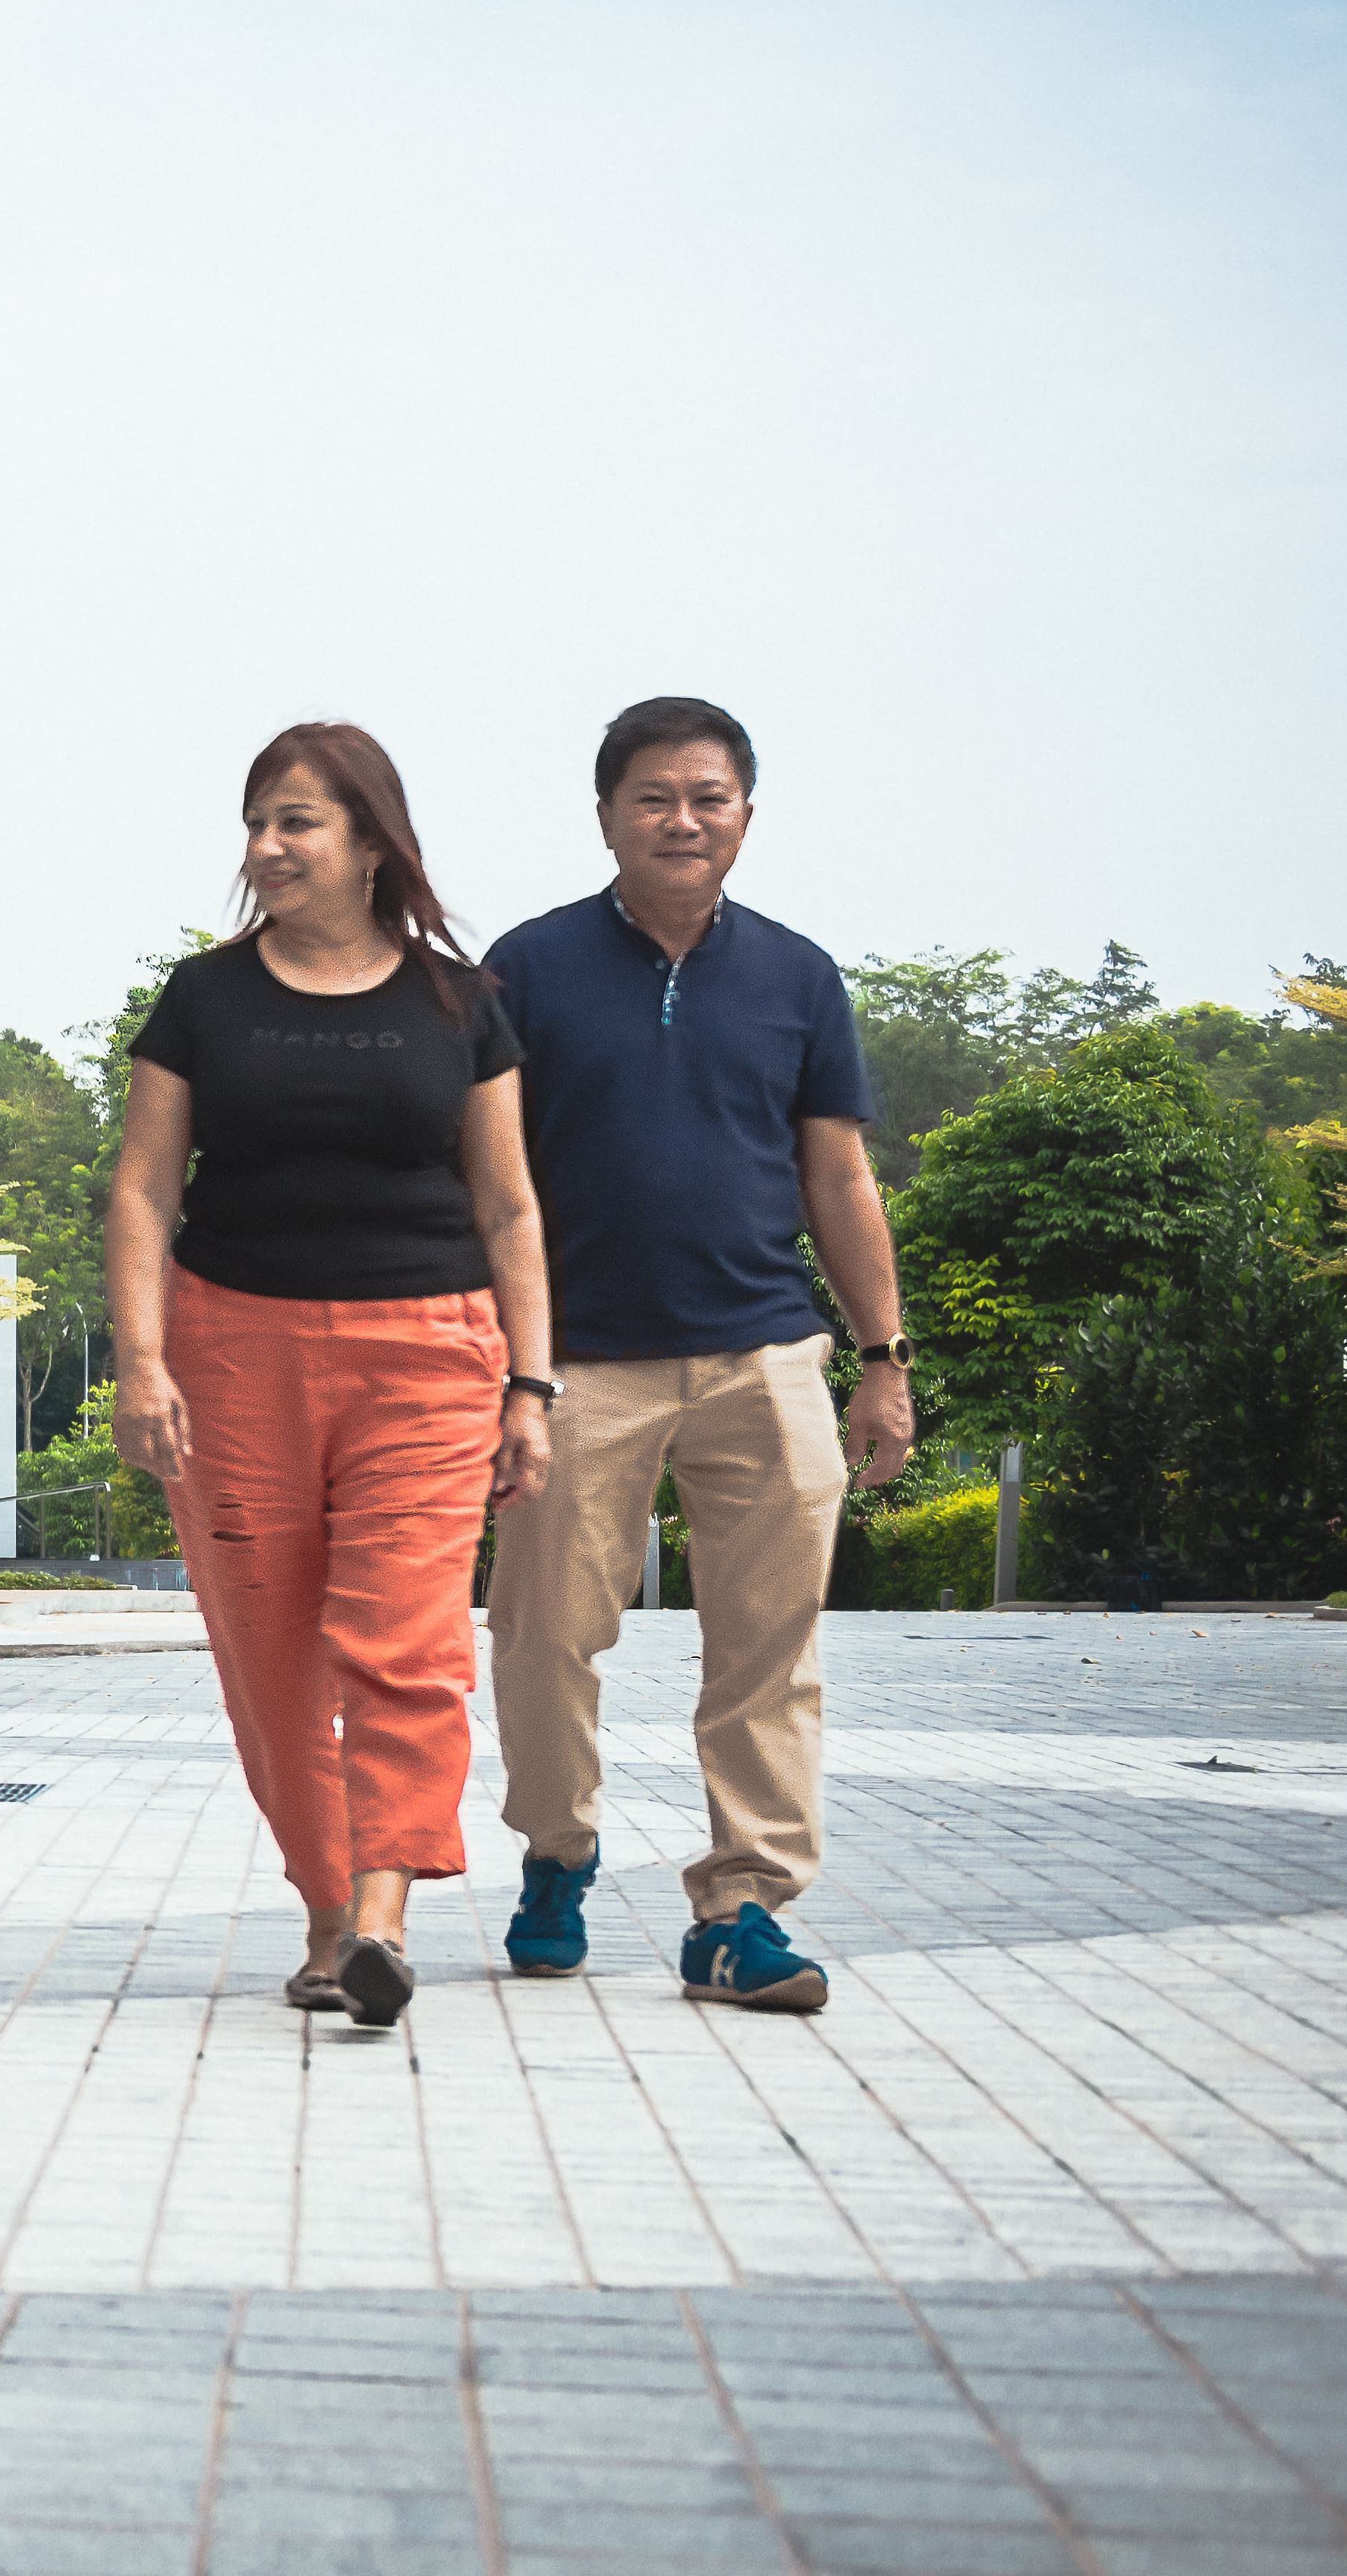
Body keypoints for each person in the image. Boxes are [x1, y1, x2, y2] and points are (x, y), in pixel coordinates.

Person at [103, 723, 553, 2030]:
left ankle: (379, 1913)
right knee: (270, 1654)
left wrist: (532, 1384)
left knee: (405, 1643)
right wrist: (141, 1365)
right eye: (256, 821)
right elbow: (140, 1188)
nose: (265, 847)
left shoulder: (460, 1006)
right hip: (232, 1351)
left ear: (369, 839)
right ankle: (321, 1909)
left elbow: (511, 1207)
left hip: (428, 1353)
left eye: (296, 821)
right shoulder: (202, 998)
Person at [480, 698, 914, 2017]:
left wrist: (881, 1355)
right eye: (654, 798)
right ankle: (556, 1857)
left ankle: (741, 1912)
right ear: (605, 814)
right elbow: (485, 1181)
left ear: (743, 815)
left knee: (768, 1654)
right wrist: (503, 1365)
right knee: (543, 1634)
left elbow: (837, 1176)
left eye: (708, 798)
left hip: (766, 1355)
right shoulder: (526, 969)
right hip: (577, 1364)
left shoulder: (796, 977)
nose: (682, 820)